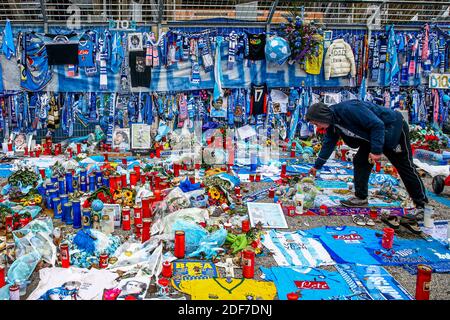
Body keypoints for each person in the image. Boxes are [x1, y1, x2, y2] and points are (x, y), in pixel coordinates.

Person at [305, 100, 428, 234]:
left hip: (392, 128)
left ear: (322, 117)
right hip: (371, 136)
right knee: (360, 161)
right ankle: (361, 197)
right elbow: (328, 144)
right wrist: (317, 166)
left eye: (316, 123)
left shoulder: (349, 109)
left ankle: (421, 205)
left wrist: (376, 150)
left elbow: (377, 124)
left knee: (404, 166)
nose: (318, 127)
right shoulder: (332, 124)